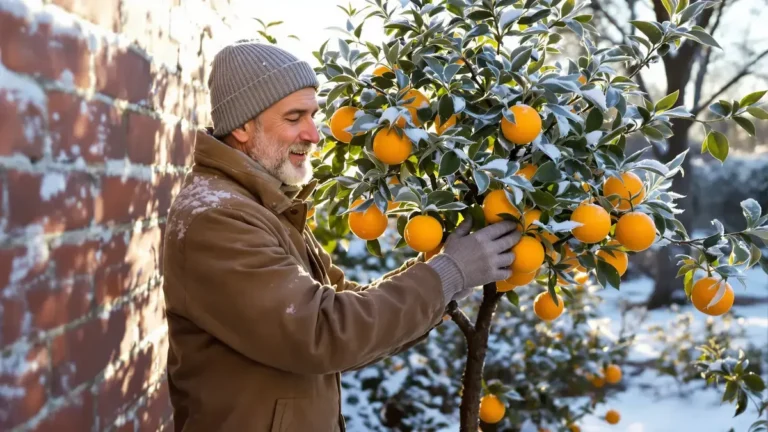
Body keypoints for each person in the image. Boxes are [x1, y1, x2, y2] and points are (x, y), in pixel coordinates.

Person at [161, 40, 521, 432]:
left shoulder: (264, 206)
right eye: (294, 117)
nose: (314, 134)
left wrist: (444, 274)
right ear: (244, 125)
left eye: (313, 115)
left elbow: (348, 310)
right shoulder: (217, 218)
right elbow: (325, 331)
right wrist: (448, 273)